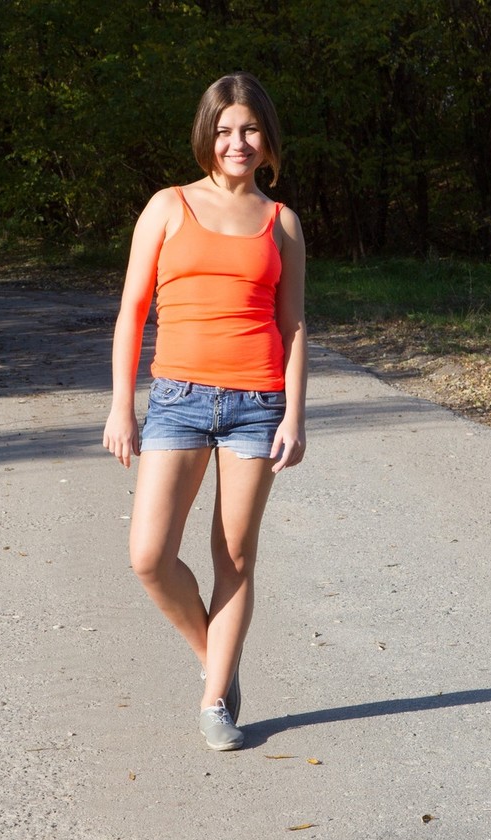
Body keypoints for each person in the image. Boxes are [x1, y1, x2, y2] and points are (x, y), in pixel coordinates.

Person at [102, 71, 307, 751]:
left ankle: (216, 698)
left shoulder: (282, 224)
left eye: (248, 129)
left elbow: (295, 327)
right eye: (223, 130)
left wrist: (294, 416)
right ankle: (216, 654)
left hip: (257, 405)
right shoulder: (167, 207)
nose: (236, 141)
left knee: (234, 558)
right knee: (149, 556)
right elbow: (133, 311)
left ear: (266, 138)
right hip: (176, 401)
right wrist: (121, 407)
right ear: (206, 137)